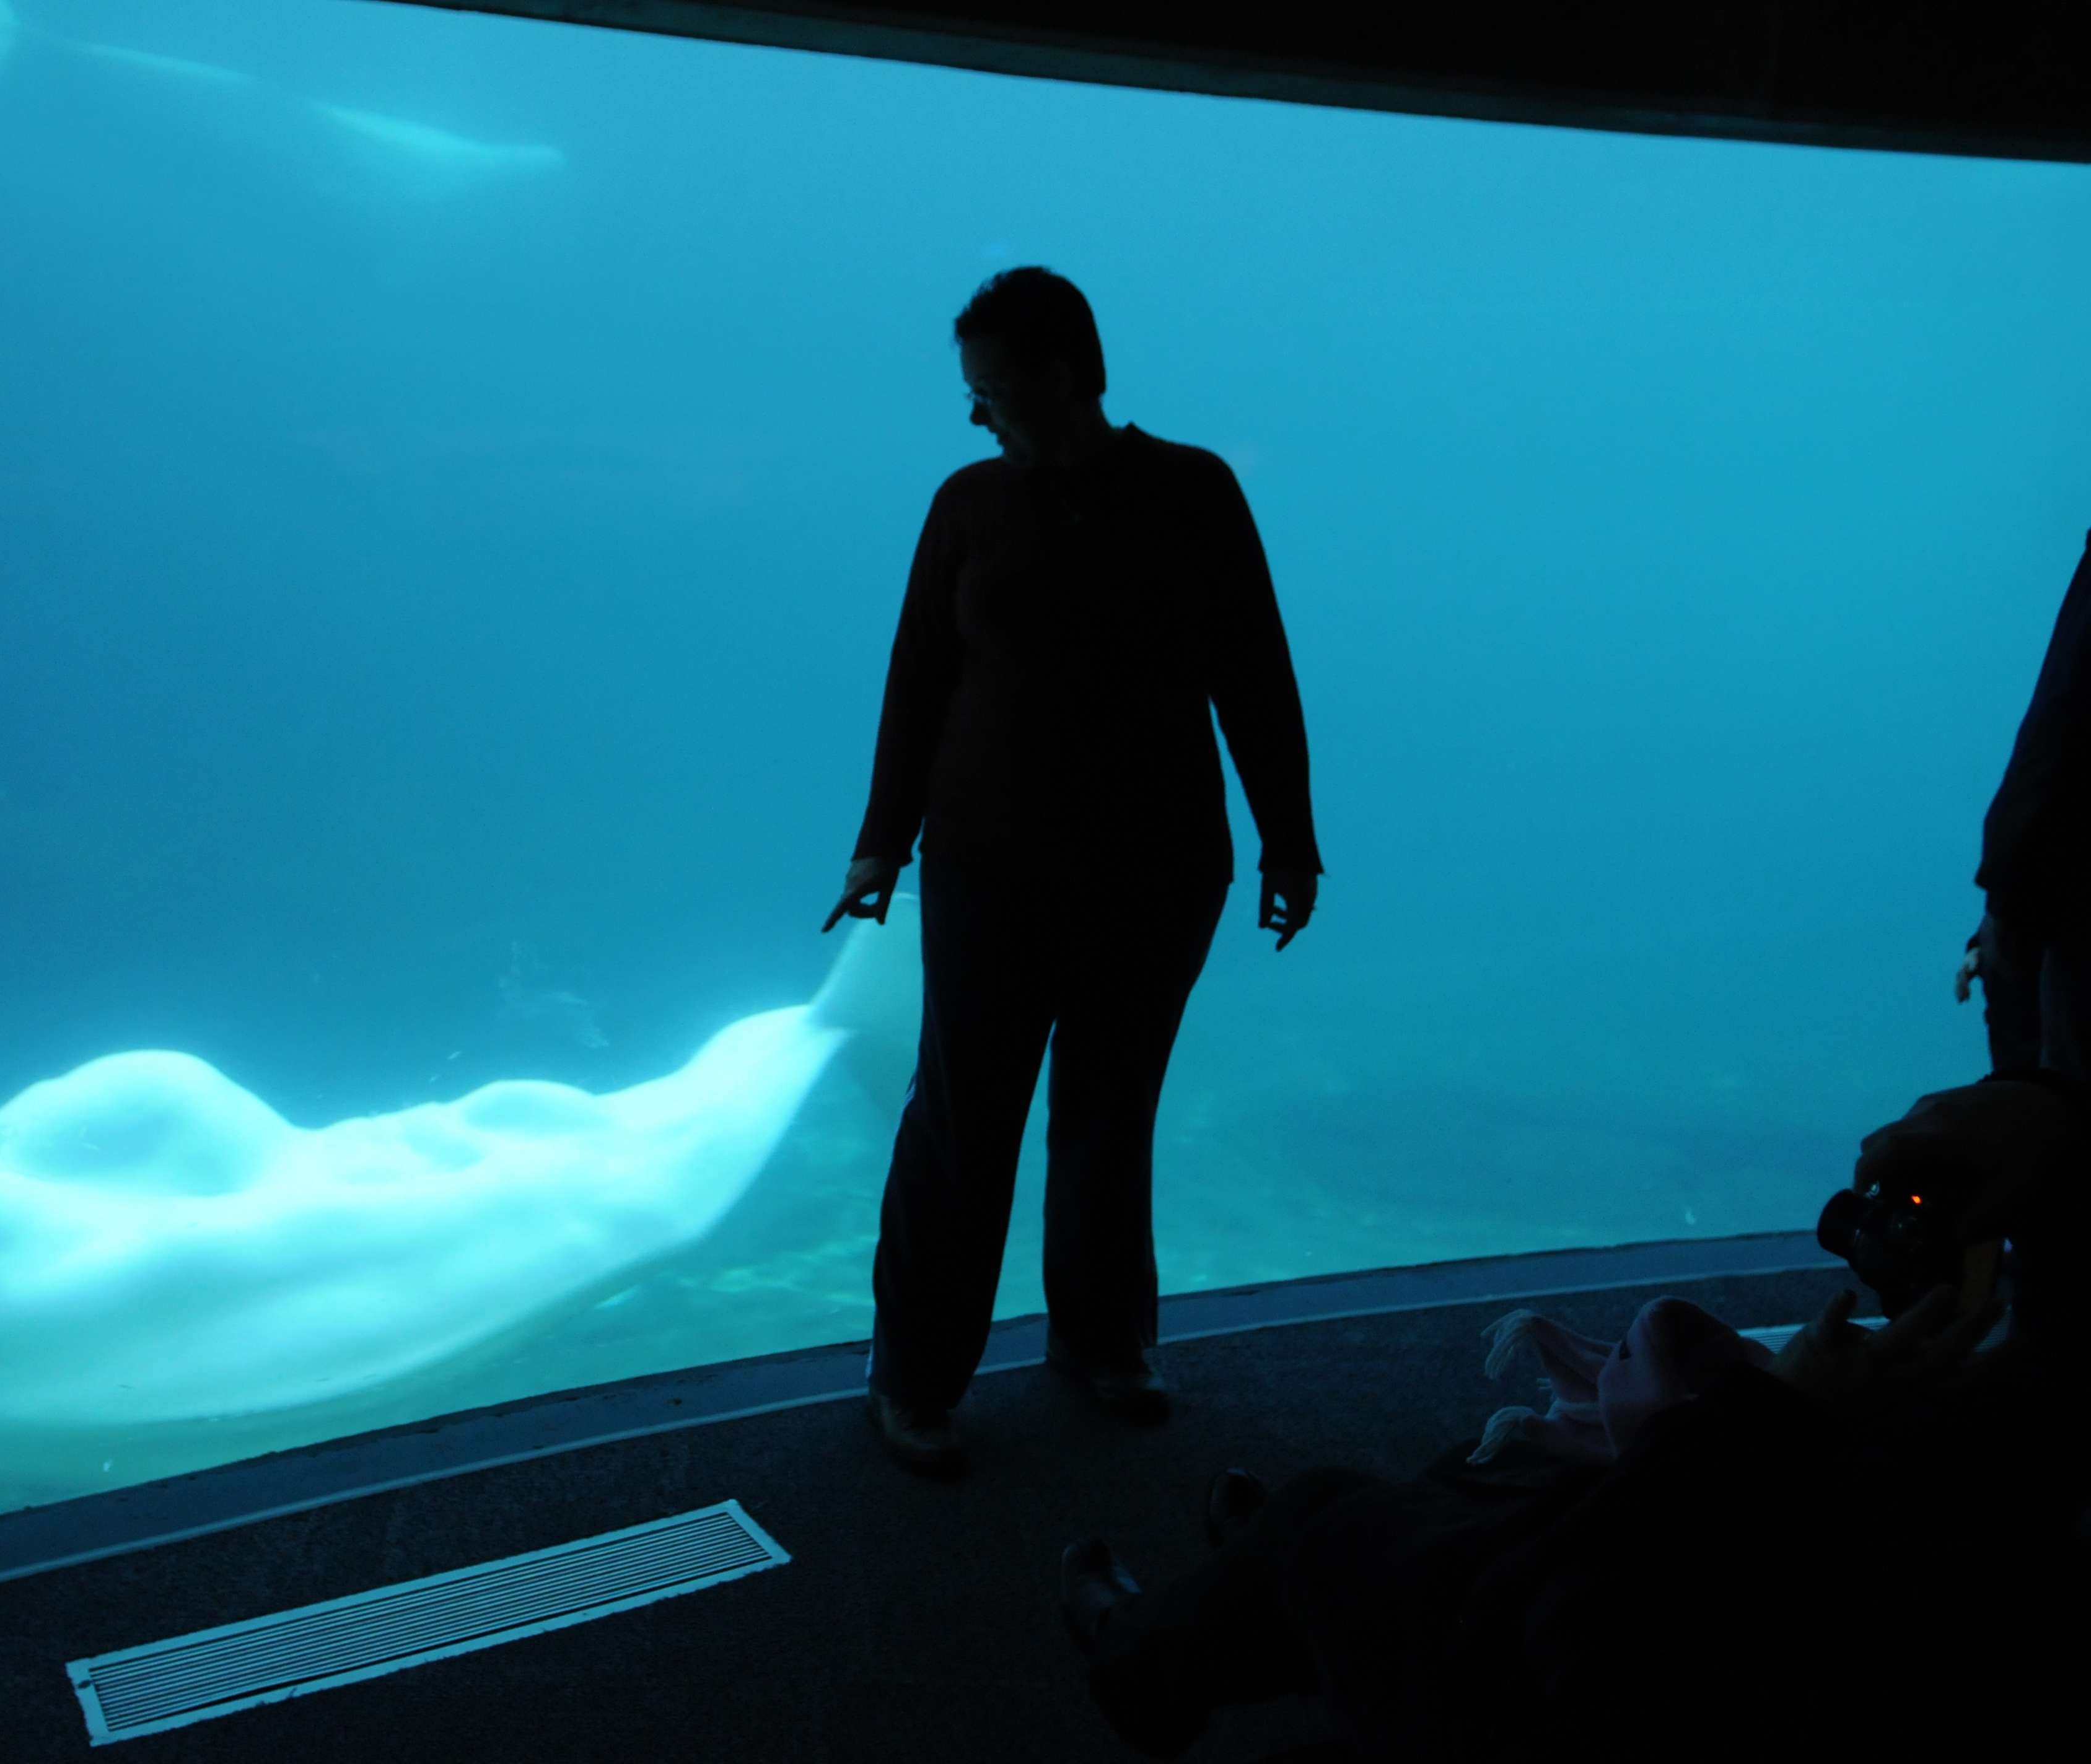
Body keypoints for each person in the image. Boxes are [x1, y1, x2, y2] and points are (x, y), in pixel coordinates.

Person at [1056, 1072, 2091, 1761]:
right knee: (1445, 1501)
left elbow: (1587, 1627)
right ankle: (1267, 1595)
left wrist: (1781, 1417)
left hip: (1545, 1693)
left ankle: (1147, 1657)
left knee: (1331, 1520)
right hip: (1711, 1618)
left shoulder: (1942, 1606)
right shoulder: (2030, 1481)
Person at [825, 268, 1322, 1476]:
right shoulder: (966, 504)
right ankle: (914, 1378)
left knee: (1108, 1109)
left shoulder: (1194, 490)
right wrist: (881, 839)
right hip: (988, 872)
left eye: (989, 388)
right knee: (963, 1119)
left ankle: (1102, 1341)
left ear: (1058, 376)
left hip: (1158, 872)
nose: (974, 412)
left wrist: (1288, 837)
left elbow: (1254, 670)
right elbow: (916, 676)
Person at [1958, 531, 2091, 1079]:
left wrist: (2008, 905)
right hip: (2043, 896)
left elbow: (2059, 734)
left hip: (2055, 905)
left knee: (2049, 1103)